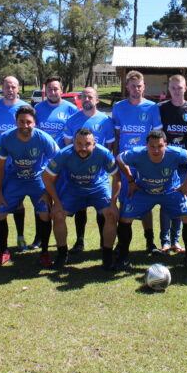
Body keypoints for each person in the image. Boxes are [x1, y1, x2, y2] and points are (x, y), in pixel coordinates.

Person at [115, 130, 187, 270]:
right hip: (144, 192)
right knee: (124, 218)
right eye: (152, 146)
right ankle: (123, 258)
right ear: (146, 145)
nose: (156, 150)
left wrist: (186, 184)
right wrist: (131, 181)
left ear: (165, 145)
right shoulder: (137, 153)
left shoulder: (175, 153)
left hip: (170, 191)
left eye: (159, 146)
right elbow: (119, 159)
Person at [44, 127, 121, 269]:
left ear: (94, 144)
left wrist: (113, 203)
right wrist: (56, 202)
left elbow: (116, 178)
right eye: (79, 144)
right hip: (74, 189)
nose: (83, 148)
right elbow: (47, 177)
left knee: (111, 214)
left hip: (98, 188)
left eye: (87, 144)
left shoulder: (103, 153)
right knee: (58, 214)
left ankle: (107, 256)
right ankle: (62, 254)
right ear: (73, 143)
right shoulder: (64, 154)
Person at [0, 106, 59, 267]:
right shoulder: (6, 138)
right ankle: (4, 251)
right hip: (15, 179)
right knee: (0, 212)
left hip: (37, 180)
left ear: (35, 123)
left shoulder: (43, 138)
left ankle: (44, 253)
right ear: (16, 122)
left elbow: (58, 163)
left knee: (44, 212)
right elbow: (0, 167)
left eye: (28, 122)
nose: (25, 125)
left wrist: (49, 192)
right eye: (21, 121)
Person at [112, 70, 163, 253]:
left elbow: (158, 137)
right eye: (133, 86)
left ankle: (150, 242)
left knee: (146, 202)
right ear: (127, 87)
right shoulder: (119, 107)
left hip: (146, 164)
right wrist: (116, 161)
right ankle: (121, 243)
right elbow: (117, 136)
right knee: (124, 202)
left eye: (139, 86)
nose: (136, 89)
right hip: (125, 164)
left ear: (144, 87)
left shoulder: (152, 107)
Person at [63, 86, 116, 253]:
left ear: (97, 100)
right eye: (84, 97)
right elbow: (68, 146)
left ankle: (103, 241)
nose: (87, 100)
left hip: (99, 175)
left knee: (102, 210)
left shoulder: (106, 121)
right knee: (80, 209)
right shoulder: (72, 120)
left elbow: (110, 146)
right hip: (77, 174)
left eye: (90, 97)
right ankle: (79, 240)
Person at [0, 76, 31, 251]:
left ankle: (20, 236)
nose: (10, 90)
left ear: (18, 88)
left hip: (19, 163)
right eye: (7, 86)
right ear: (2, 88)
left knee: (17, 201)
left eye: (13, 87)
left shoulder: (26, 108)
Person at [157, 74, 187, 254]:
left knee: (180, 199)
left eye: (179, 88)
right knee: (166, 201)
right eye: (173, 88)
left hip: (183, 164)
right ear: (169, 89)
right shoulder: (161, 108)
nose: (176, 91)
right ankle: (165, 240)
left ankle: (176, 240)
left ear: (185, 89)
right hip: (165, 163)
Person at [35, 76, 80, 148]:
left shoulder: (72, 109)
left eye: (55, 89)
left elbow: (77, 134)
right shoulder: (37, 108)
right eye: (49, 89)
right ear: (46, 91)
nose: (53, 92)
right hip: (43, 154)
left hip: (62, 154)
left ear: (61, 90)